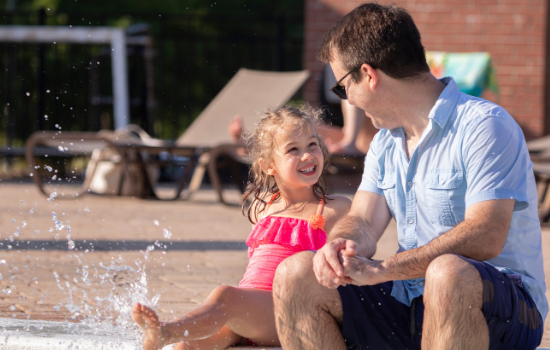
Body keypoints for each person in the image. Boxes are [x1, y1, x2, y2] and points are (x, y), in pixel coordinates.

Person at [272, 3, 547, 350]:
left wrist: (385, 268)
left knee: (447, 273)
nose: (349, 101)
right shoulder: (387, 142)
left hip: (505, 307)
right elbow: (363, 220)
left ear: (370, 76)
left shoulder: (484, 125)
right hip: (413, 300)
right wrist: (341, 244)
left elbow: (486, 235)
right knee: (296, 273)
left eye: (343, 88)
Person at [132, 105, 351, 350]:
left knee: (225, 297)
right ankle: (172, 337)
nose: (307, 155)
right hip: (250, 315)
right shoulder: (265, 207)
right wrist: (239, 140)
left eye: (312, 144)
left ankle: (165, 331)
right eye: (293, 149)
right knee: (188, 347)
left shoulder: (334, 209)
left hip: (291, 313)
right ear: (269, 166)